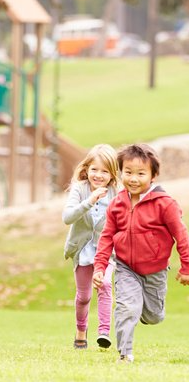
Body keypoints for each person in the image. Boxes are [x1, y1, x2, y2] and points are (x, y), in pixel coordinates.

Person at [92, 143, 189, 363]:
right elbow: (106, 237)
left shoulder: (165, 204)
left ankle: (144, 311)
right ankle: (124, 353)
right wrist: (100, 267)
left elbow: (182, 235)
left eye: (141, 173)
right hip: (126, 267)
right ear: (120, 173)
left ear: (153, 175)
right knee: (127, 307)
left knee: (153, 316)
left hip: (155, 270)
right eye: (128, 172)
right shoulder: (117, 204)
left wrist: (187, 266)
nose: (133, 179)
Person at [62, 144, 120, 350]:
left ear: (112, 175)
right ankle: (80, 330)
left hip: (106, 251)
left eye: (105, 171)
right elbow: (67, 218)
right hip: (82, 250)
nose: (98, 175)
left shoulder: (116, 193)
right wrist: (89, 201)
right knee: (84, 296)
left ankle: (103, 333)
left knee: (104, 284)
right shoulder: (80, 189)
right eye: (94, 169)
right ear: (86, 169)